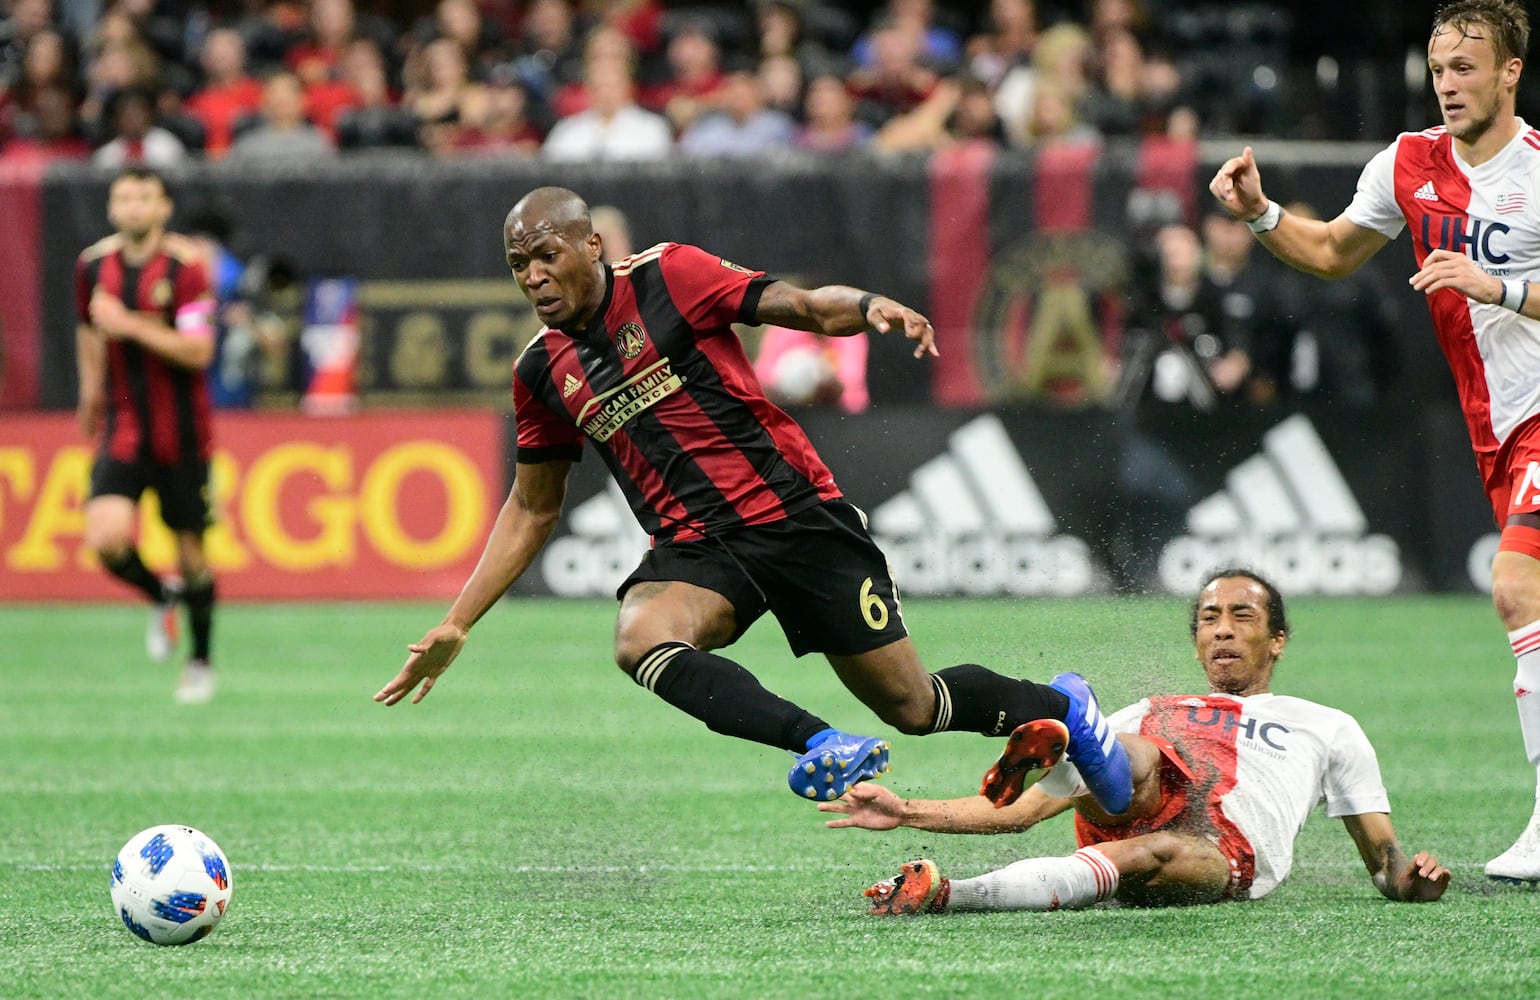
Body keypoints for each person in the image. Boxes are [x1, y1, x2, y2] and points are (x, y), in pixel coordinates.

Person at [374, 186, 1133, 810]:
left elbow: (800, 308)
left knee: (914, 707)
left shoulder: (671, 275)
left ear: (590, 247)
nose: (533, 276)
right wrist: (456, 624)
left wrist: (869, 307)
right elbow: (533, 507)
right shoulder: (540, 370)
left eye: (546, 255)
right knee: (639, 638)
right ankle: (820, 743)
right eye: (518, 265)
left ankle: (1066, 709)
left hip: (798, 516)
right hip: (699, 552)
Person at [1209, 0, 1540, 884]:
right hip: (1495, 429)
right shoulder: (1406, 163)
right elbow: (1328, 252)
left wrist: (1497, 288)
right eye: (1439, 69)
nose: (1450, 83)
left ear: (1511, 72)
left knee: (1517, 587)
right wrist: (1259, 212)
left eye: (1468, 67)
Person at [824, 570, 1452, 913]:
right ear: (1196, 639)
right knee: (1142, 744)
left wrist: (1411, 878)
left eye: (1243, 618)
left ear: (1278, 640)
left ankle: (949, 896)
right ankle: (1083, 732)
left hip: (1224, 850)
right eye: (1209, 619)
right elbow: (1021, 813)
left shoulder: (1326, 724)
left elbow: (1384, 861)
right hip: (1129, 797)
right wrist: (904, 809)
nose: (1223, 631)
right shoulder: (1156, 708)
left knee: (1153, 845)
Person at [74, 167, 219, 704]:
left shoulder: (187, 267)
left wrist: (129, 323)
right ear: (113, 208)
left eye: (144, 198)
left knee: (192, 554)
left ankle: (201, 662)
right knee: (106, 540)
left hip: (182, 432)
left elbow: (199, 351)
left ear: (163, 208)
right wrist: (90, 391)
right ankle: (161, 596)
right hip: (122, 425)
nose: (133, 207)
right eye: (124, 198)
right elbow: (88, 328)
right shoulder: (92, 266)